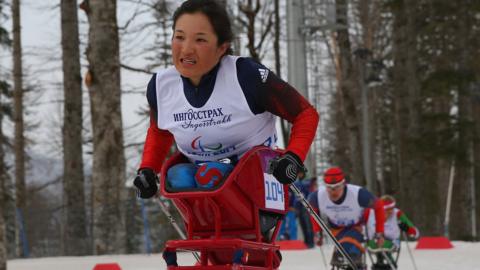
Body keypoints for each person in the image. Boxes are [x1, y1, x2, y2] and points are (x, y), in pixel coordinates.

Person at [133, 0, 318, 201]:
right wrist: (148, 169)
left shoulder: (246, 75)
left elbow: (305, 114)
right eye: (179, 37)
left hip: (255, 174)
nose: (186, 50)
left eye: (200, 40)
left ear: (222, 47)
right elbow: (159, 131)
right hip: (196, 176)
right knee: (178, 177)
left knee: (209, 175)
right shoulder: (161, 85)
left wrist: (293, 157)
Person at [307, 167, 385, 269]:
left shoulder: (358, 194)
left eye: (337, 187)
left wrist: (379, 233)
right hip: (337, 229)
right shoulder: (317, 197)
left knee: (350, 250)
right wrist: (317, 232)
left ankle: (354, 261)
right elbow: (312, 210)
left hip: (357, 227)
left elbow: (379, 206)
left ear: (344, 184)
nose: (333, 191)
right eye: (329, 187)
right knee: (344, 251)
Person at [365, 195, 420, 269]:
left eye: (392, 209)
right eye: (387, 210)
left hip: (392, 241)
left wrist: (407, 228)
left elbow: (415, 233)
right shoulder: (370, 212)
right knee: (378, 245)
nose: (390, 212)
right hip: (373, 241)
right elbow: (358, 223)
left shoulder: (397, 213)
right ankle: (384, 262)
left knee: (384, 247)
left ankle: (388, 263)